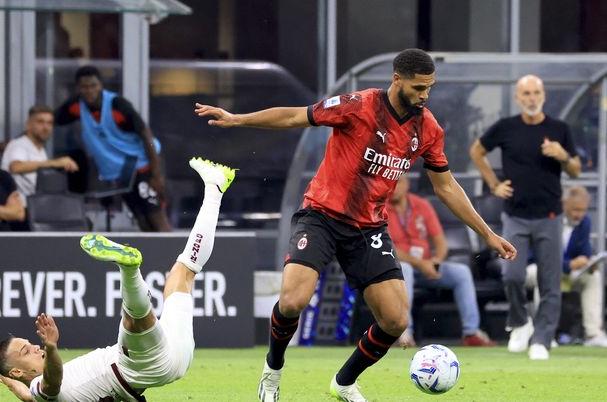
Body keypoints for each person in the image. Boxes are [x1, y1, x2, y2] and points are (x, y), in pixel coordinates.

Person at [195, 48, 516, 402]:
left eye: (430, 87)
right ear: (397, 80)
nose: (425, 95)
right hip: (321, 215)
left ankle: (344, 382)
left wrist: (487, 233)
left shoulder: (428, 128)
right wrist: (239, 119)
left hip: (368, 230)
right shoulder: (358, 105)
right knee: (292, 301)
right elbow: (294, 117)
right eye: (418, 87)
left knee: (395, 320)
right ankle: (272, 372)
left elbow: (445, 186)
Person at [0, 157, 236, 401]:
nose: (35, 347)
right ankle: (129, 270)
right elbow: (53, 383)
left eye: (30, 344)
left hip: (176, 357)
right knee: (132, 321)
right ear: (19, 369)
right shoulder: (44, 387)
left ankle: (214, 188)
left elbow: (28, 395)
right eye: (26, 351)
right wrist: (52, 346)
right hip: (140, 366)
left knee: (183, 272)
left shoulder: (35, 394)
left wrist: (11, 383)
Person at [469, 74, 581, 360]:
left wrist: (562, 155)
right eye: (526, 93)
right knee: (512, 275)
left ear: (543, 95)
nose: (532, 98)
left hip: (550, 215)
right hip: (515, 215)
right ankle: (519, 322)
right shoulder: (506, 127)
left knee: (550, 281)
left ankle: (542, 339)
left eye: (536, 93)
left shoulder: (559, 129)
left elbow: (576, 171)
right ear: (518, 98)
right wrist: (494, 184)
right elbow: (477, 151)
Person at [54, 65, 171, 232]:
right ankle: (154, 257)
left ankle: (175, 256)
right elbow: (52, 119)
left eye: (93, 85)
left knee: (156, 216)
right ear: (78, 88)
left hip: (144, 165)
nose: (89, 91)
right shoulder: (76, 106)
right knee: (140, 217)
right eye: (84, 87)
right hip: (122, 172)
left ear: (100, 85)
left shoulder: (117, 105)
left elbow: (146, 135)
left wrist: (156, 175)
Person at [386, 176, 496, 347]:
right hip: (396, 268)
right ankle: (404, 333)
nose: (394, 187)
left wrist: (436, 262)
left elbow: (440, 242)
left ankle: (471, 332)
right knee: (405, 269)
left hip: (427, 266)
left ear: (407, 184)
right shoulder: (381, 208)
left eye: (398, 182)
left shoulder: (421, 205)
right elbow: (389, 248)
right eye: (391, 183)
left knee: (461, 272)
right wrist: (420, 263)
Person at [525, 185, 607, 348]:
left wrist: (590, 264)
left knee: (593, 278)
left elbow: (585, 251)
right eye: (576, 209)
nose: (579, 214)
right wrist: (568, 264)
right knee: (544, 275)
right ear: (564, 203)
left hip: (566, 273)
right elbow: (538, 256)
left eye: (583, 210)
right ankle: (544, 334)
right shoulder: (548, 219)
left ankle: (593, 334)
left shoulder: (584, 222)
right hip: (533, 268)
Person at [1, 105, 79, 205]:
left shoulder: (41, 150)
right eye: (40, 122)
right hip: (21, 209)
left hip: (38, 205)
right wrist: (55, 163)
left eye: (49, 123)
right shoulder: (19, 145)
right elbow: (16, 167)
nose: (45, 127)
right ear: (28, 124)